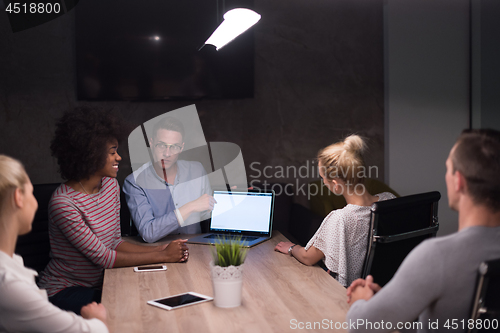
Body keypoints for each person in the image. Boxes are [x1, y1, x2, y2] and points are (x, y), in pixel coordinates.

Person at [346, 129, 500, 333]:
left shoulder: (436, 257)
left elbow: (361, 326)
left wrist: (361, 301)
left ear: (458, 181)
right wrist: (398, 299)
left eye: (448, 169)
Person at [38, 107, 189, 315]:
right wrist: (164, 256)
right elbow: (105, 258)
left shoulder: (110, 185)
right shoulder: (64, 203)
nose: (119, 157)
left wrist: (162, 250)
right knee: (129, 308)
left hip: (103, 282)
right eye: (112, 152)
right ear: (90, 154)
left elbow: (115, 242)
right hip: (64, 290)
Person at [0, 155, 109, 332]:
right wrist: (96, 319)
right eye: (30, 192)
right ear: (18, 197)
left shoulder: (12, 265)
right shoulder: (7, 285)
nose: (35, 202)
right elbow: (90, 330)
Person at [274, 135, 396, 287]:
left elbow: (308, 257)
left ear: (336, 184)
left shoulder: (340, 218)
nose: (323, 182)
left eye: (322, 177)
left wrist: (291, 248)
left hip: (349, 294)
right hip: (385, 286)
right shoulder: (390, 200)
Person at [123, 116, 215, 243]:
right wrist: (190, 207)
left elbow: (208, 214)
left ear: (181, 148)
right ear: (151, 143)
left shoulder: (197, 170)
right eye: (161, 145)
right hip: (157, 252)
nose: (167, 153)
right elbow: (148, 232)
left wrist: (228, 197)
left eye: (174, 147)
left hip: (196, 249)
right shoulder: (134, 182)